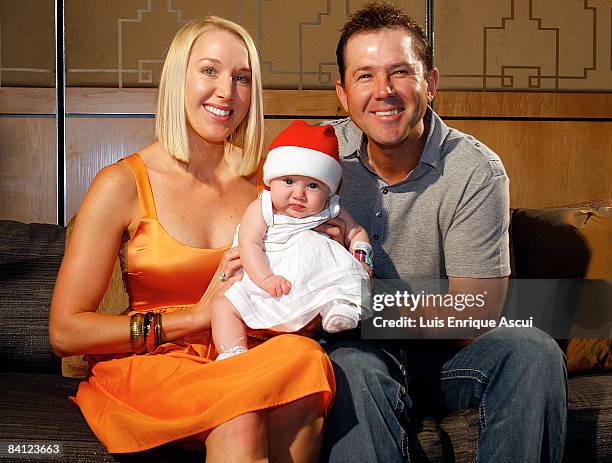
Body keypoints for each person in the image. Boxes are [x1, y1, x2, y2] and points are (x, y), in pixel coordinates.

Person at [49, 17, 334, 462]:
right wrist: (195, 318)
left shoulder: (270, 184)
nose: (227, 91)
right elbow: (66, 332)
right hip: (155, 363)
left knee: (303, 356)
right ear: (178, 79)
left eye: (242, 78)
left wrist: (315, 277)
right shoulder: (121, 183)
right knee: (241, 413)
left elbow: (294, 281)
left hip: (243, 355)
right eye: (209, 71)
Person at [320, 3, 568, 462]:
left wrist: (365, 304)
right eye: (365, 76)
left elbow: (475, 310)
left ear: (430, 83)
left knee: (535, 351)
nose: (384, 92)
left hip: (447, 359)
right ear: (342, 91)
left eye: (400, 72)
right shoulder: (314, 158)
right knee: (348, 366)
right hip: (353, 352)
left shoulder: (475, 169)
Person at [211, 121, 372, 360]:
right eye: (288, 181)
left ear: (329, 191)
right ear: (270, 181)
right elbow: (249, 243)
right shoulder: (262, 208)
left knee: (344, 281)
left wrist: (361, 258)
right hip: (268, 276)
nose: (299, 194)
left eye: (313, 185)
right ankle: (233, 352)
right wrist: (265, 278)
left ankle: (338, 310)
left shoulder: (331, 208)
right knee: (223, 305)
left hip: (315, 278)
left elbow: (357, 232)